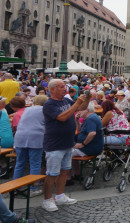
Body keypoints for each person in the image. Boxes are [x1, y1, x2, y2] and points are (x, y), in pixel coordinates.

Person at [41, 79, 89, 212]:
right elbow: (62, 117)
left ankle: (60, 196)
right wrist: (77, 103)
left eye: (64, 86)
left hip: (67, 142)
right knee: (52, 173)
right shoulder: (49, 104)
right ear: (52, 89)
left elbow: (81, 108)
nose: (64, 89)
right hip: (55, 143)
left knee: (64, 171)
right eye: (61, 87)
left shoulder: (66, 101)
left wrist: (87, 98)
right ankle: (47, 199)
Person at [12, 95, 48, 197]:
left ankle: (16, 187)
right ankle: (32, 188)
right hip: (36, 137)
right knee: (35, 163)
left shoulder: (27, 110)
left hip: (20, 137)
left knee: (20, 163)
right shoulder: (45, 110)